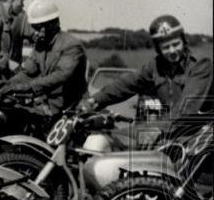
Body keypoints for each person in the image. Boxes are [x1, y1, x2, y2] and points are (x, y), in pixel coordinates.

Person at [81, 15, 212, 123]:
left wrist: (158, 128)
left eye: (176, 44)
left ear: (184, 41)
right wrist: (95, 100)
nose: (172, 51)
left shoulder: (201, 64)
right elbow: (126, 84)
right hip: (173, 132)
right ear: (158, 49)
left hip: (199, 134)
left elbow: (187, 107)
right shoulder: (155, 66)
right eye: (166, 47)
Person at [0, 0, 87, 117]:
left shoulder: (71, 45)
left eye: (38, 28)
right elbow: (29, 72)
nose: (34, 32)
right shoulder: (40, 45)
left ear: (52, 25)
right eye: (34, 27)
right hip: (48, 105)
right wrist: (7, 85)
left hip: (72, 108)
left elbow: (60, 76)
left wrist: (25, 87)